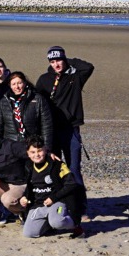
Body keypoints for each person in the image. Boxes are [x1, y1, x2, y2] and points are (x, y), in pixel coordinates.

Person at [36, 46, 94, 187]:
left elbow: (88, 67)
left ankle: (79, 204)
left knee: (73, 168)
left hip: (71, 129)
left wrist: (67, 60)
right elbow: (37, 102)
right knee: (54, 168)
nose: (56, 64)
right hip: (51, 130)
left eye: (59, 60)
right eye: (52, 61)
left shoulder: (75, 77)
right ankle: (59, 199)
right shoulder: (44, 79)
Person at [19, 137, 85, 238]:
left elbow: (71, 184)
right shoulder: (28, 167)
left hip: (57, 202)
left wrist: (53, 198)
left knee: (57, 222)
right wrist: (24, 197)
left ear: (45, 150)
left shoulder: (56, 164)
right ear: (28, 153)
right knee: (29, 233)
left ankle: (75, 225)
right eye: (32, 152)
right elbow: (29, 188)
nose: (36, 155)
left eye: (40, 150)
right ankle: (48, 226)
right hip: (38, 205)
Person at [0, 71, 53, 151]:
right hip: (11, 146)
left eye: (19, 83)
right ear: (10, 86)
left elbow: (46, 125)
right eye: (13, 84)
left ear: (25, 83)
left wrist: (46, 147)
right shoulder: (4, 102)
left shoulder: (37, 99)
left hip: (33, 146)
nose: (17, 87)